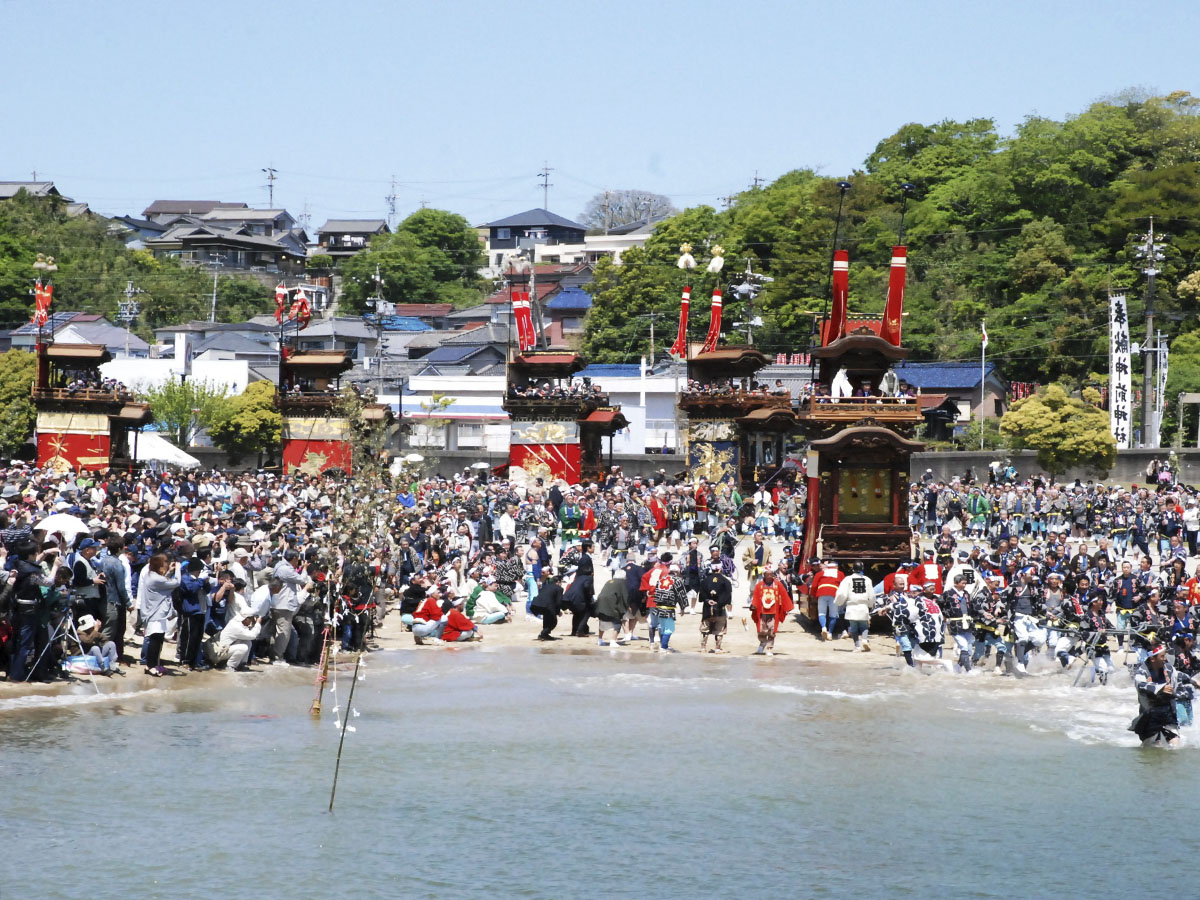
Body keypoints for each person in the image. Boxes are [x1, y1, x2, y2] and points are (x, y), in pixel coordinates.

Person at [1130, 643, 1184, 746]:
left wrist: (1194, 681)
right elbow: (1141, 685)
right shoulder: (1142, 671)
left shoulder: (1168, 668)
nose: (1165, 659)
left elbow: (1179, 677)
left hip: (1167, 714)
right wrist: (1160, 688)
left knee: (1176, 745)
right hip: (1149, 717)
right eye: (1162, 656)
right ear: (1152, 659)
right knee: (1155, 748)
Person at [140, 553, 181, 677]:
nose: (167, 564)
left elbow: (164, 582)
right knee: (155, 640)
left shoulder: (150, 575)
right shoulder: (155, 578)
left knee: (157, 640)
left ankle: (153, 665)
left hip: (156, 612)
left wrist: (169, 571)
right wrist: (178, 570)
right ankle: (150, 666)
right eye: (165, 562)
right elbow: (176, 583)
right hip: (155, 614)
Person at [750, 566, 792, 656]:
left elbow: (784, 595)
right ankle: (762, 643)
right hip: (762, 611)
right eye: (767, 574)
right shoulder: (759, 585)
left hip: (774, 611)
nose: (769, 576)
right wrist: (753, 605)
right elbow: (756, 596)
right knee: (761, 629)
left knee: (772, 630)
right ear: (764, 575)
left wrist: (787, 607)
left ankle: (769, 648)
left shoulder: (778, 584)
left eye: (771, 574)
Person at [836, 565, 875, 652]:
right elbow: (871, 595)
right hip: (863, 605)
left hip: (851, 605)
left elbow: (841, 593)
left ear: (853, 569)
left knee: (853, 628)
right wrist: (870, 604)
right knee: (864, 626)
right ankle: (864, 639)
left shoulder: (847, 579)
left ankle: (857, 646)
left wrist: (838, 602)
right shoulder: (867, 579)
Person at [697, 561, 732, 653]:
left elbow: (701, 597)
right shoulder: (726, 581)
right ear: (720, 569)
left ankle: (703, 647)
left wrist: (708, 601)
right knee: (719, 629)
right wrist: (719, 603)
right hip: (720, 609)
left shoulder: (704, 581)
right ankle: (717, 648)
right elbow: (728, 598)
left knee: (705, 629)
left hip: (707, 609)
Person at [593, 573, 628, 646]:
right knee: (617, 622)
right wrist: (627, 606)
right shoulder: (622, 583)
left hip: (600, 603)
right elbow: (625, 596)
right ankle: (613, 641)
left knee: (602, 621)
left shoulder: (609, 581)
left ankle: (600, 640)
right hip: (611, 604)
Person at [530, 571, 562, 641]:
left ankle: (545, 635)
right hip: (547, 605)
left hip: (536, 604)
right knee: (553, 621)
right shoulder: (559, 588)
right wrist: (558, 611)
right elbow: (558, 602)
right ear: (558, 582)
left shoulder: (546, 586)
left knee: (547, 618)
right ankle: (543, 634)